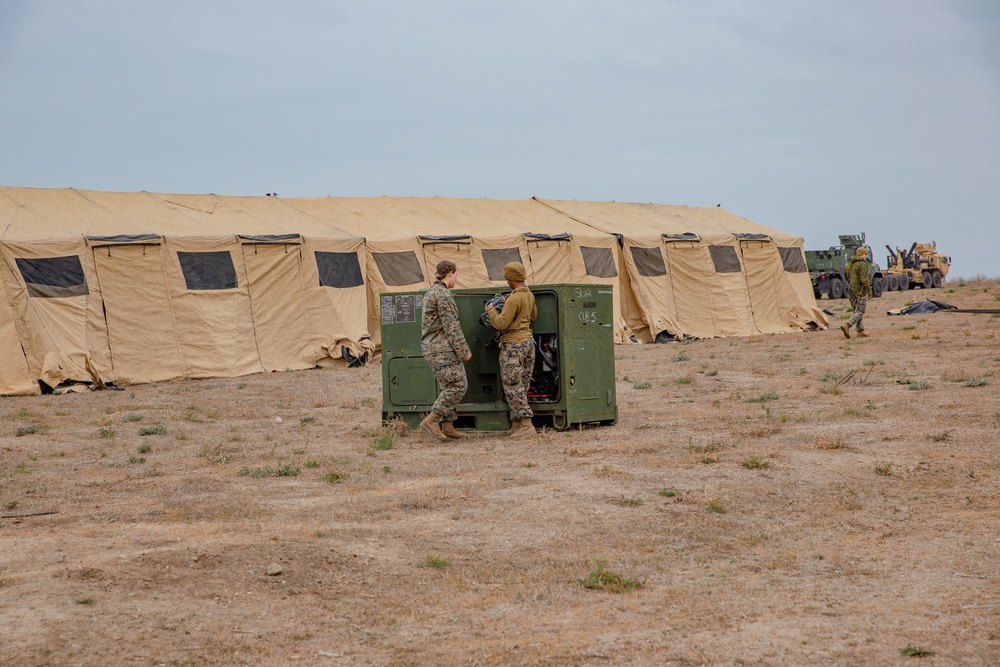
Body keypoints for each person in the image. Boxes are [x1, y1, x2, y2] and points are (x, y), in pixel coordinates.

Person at [420, 260, 472, 441]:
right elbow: (451, 326)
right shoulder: (443, 295)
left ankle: (448, 426)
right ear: (450, 273)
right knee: (458, 385)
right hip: (442, 349)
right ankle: (432, 420)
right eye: (456, 275)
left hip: (433, 348)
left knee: (448, 386)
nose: (456, 279)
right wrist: (464, 350)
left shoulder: (431, 293)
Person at [486, 261, 538, 439]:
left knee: (512, 384)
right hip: (528, 344)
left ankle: (526, 423)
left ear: (511, 279)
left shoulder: (513, 298)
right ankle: (517, 423)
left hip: (513, 346)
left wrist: (491, 311)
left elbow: (501, 323)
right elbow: (533, 316)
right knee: (521, 384)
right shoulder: (529, 295)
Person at [841, 247, 872, 339]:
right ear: (861, 255)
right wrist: (868, 291)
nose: (866, 256)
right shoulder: (862, 264)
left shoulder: (849, 264)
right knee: (860, 311)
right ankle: (847, 325)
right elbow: (864, 279)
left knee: (856, 310)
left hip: (850, 291)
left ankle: (860, 331)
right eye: (865, 254)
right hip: (859, 291)